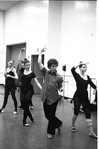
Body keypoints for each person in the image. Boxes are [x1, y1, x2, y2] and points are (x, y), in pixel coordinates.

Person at [38, 48, 63, 139]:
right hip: (46, 98)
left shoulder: (59, 77)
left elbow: (60, 86)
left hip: (54, 99)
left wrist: (60, 89)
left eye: (56, 66)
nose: (55, 68)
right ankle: (59, 123)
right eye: (53, 66)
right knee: (47, 115)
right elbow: (39, 63)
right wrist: (40, 52)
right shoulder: (46, 73)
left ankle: (50, 132)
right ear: (49, 66)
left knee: (51, 115)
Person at [71, 61, 97, 138]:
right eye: (83, 67)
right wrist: (79, 63)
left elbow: (93, 85)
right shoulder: (77, 76)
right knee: (76, 112)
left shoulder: (87, 77)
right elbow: (72, 70)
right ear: (80, 68)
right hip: (78, 96)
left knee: (88, 113)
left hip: (85, 97)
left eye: (86, 67)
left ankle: (91, 132)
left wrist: (95, 89)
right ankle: (72, 125)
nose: (85, 68)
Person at [20, 59, 42, 127]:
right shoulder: (22, 70)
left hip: (29, 90)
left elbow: (37, 82)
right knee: (23, 106)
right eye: (27, 65)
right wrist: (20, 52)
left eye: (29, 65)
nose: (28, 66)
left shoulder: (32, 73)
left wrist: (42, 89)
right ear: (24, 66)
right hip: (22, 89)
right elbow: (19, 61)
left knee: (26, 106)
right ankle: (31, 117)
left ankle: (24, 122)